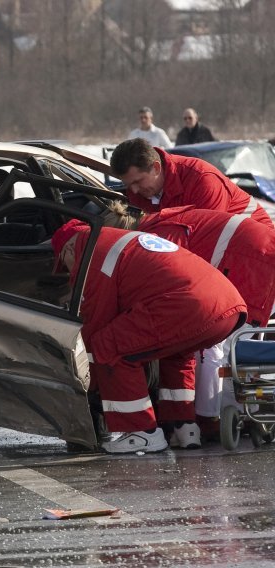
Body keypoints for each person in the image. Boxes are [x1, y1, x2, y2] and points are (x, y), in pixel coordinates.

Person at [51, 220, 247, 453]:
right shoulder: (120, 241)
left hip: (190, 305)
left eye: (65, 265)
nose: (70, 273)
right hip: (228, 305)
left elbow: (95, 322)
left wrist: (84, 379)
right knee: (175, 355)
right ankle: (183, 427)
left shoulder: (93, 255)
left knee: (108, 346)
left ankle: (140, 431)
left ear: (69, 250)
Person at [102, 201, 275, 436]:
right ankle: (237, 410)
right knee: (235, 342)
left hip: (249, 260)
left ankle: (209, 417)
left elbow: (168, 279)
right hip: (254, 254)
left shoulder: (157, 235)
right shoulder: (163, 223)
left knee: (214, 345)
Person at [110, 137, 273, 228]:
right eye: (129, 184)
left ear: (156, 167)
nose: (134, 191)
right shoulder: (137, 190)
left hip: (255, 247)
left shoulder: (202, 180)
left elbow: (210, 237)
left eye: (138, 181)